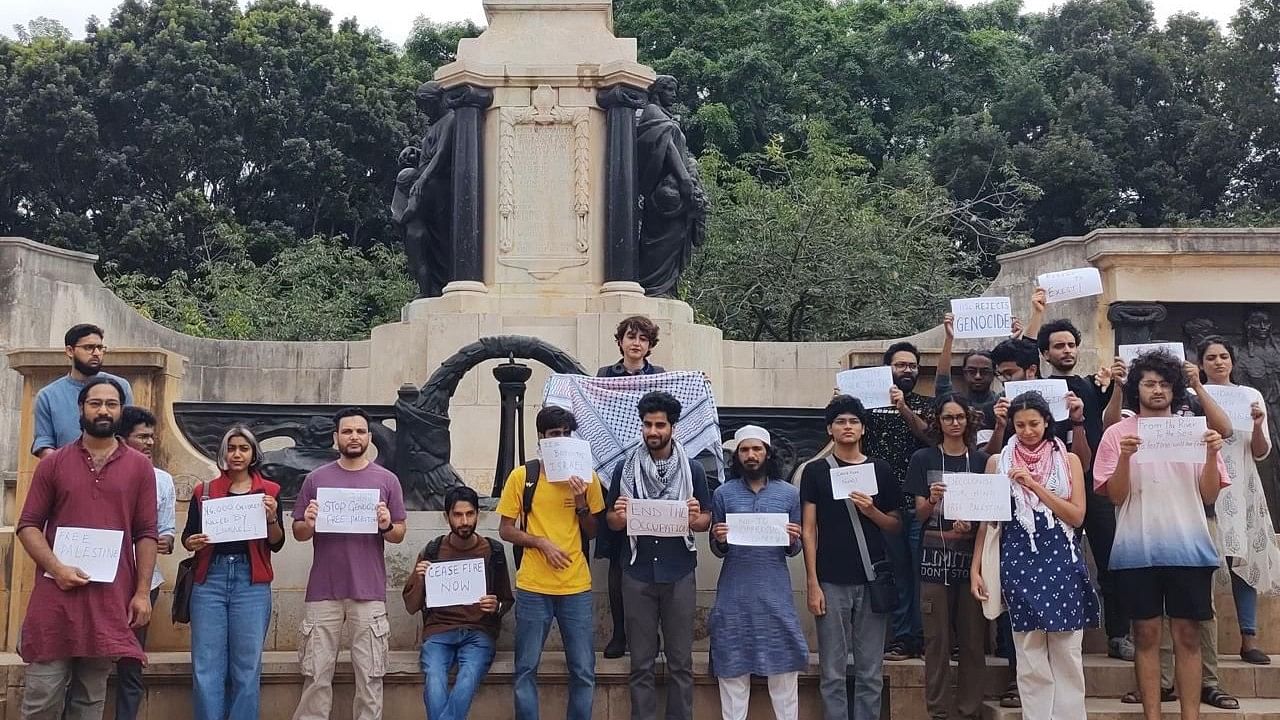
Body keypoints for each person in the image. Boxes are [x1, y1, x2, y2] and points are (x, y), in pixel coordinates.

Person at [1093, 350, 1230, 720]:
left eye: (1165, 384)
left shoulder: (1196, 431)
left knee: (1188, 635)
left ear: (1175, 389)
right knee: (1146, 636)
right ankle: (1152, 715)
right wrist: (1124, 457)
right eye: (1150, 383)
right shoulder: (1117, 434)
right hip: (1137, 548)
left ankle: (1191, 716)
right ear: (1136, 388)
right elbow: (1116, 496)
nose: (1157, 390)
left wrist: (1213, 455)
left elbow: (1209, 495)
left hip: (1189, 546)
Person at [17, 376, 157, 720]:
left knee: (90, 701)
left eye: (111, 404)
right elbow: (28, 525)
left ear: (120, 411)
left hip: (108, 601)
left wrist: (141, 593)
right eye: (96, 403)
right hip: (56, 600)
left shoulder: (140, 467)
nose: (103, 410)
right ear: (81, 409)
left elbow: (147, 533)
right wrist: (58, 568)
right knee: (41, 698)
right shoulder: (54, 463)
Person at [971, 392, 1097, 720]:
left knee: (1067, 650)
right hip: (1018, 560)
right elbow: (987, 522)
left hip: (1061, 558)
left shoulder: (1067, 460)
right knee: (1029, 655)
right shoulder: (998, 462)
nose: (1027, 431)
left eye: (1034, 424)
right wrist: (975, 569)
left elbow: (1077, 515)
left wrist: (1035, 487)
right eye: (1020, 425)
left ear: (1047, 422)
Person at [292, 407, 408, 720]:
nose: (353, 437)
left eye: (359, 431)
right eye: (347, 431)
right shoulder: (316, 479)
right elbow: (299, 533)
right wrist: (310, 521)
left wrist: (386, 524)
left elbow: (398, 534)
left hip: (368, 591)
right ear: (336, 437)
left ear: (369, 437)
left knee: (370, 675)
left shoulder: (387, 480)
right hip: (323, 591)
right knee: (316, 674)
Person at [606, 391, 712, 720]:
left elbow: (706, 520)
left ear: (672, 428)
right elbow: (610, 520)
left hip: (678, 571)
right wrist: (619, 517)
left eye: (660, 425)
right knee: (641, 662)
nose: (653, 431)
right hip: (637, 573)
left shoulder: (692, 469)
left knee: (681, 662)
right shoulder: (624, 469)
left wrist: (696, 518)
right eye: (647, 425)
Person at [498, 405, 605, 720]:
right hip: (533, 584)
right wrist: (540, 542)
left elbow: (593, 531)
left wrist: (583, 502)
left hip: (575, 585)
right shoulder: (523, 476)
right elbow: (506, 529)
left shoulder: (587, 477)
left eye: (566, 434)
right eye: (554, 435)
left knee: (584, 669)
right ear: (542, 439)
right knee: (526, 667)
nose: (561, 440)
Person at [1035, 315, 1131, 660]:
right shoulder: (1035, 392)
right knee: (1057, 561)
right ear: (1044, 354)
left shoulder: (1092, 387)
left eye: (1071, 345)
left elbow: (1109, 424)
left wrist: (1116, 386)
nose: (1067, 350)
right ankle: (1058, 634)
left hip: (1094, 485)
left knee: (1111, 560)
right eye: (1058, 346)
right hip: (1051, 488)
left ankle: (1119, 634)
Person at [801, 394, 901, 720]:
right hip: (830, 579)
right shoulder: (815, 472)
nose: (847, 427)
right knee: (832, 670)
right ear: (830, 429)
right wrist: (812, 583)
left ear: (862, 428)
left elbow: (896, 525)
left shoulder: (880, 470)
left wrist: (871, 510)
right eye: (841, 421)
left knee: (870, 670)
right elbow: (809, 529)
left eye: (854, 421)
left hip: (872, 578)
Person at [183, 425, 285, 720]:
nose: (237, 454)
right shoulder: (204, 491)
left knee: (247, 665)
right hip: (210, 579)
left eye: (243, 448)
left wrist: (271, 518)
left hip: (250, 582)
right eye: (231, 448)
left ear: (253, 453)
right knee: (206, 664)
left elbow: (276, 543)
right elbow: (188, 536)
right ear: (223, 453)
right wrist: (192, 541)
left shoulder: (269, 491)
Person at [708, 425, 806, 720]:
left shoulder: (789, 494)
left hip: (775, 594)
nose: (751, 456)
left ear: (767, 453)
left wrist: (793, 540)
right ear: (736, 456)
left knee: (784, 670)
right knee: (732, 668)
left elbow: (795, 548)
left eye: (757, 449)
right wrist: (720, 539)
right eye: (744, 450)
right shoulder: (723, 494)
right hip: (734, 595)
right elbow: (716, 548)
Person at [1198, 335, 1280, 664]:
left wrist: (1259, 425)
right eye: (1211, 357)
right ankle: (1204, 644)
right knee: (1202, 563)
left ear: (1232, 361)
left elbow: (1260, 452)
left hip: (1243, 488)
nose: (1218, 362)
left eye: (1223, 356)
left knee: (1242, 564)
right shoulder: (1193, 397)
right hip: (1206, 484)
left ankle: (1249, 637)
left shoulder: (1251, 395)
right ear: (1201, 364)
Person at [905, 395, 988, 720]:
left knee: (972, 642)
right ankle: (939, 712)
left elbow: (989, 516)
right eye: (948, 417)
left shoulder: (980, 461)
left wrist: (973, 521)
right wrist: (931, 499)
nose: (954, 423)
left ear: (968, 421)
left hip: (971, 565)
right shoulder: (923, 458)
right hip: (933, 564)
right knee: (936, 643)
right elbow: (919, 514)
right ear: (937, 422)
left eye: (959, 417)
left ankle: (969, 711)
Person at [403, 485, 513, 720]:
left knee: (469, 675)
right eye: (458, 514)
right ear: (447, 517)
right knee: (434, 676)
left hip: (478, 632)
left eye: (470, 514)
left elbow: (506, 599)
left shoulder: (493, 551)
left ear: (478, 515)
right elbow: (411, 606)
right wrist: (420, 578)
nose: (464, 521)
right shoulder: (432, 551)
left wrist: (497, 606)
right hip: (439, 632)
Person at [595, 315, 667, 659]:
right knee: (617, 558)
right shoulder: (603, 377)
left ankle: (653, 635)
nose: (636, 343)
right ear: (620, 341)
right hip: (615, 472)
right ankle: (620, 633)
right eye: (629, 337)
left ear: (649, 344)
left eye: (642, 338)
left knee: (655, 554)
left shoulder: (662, 378)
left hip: (656, 477)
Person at [861, 341, 930, 661]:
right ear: (887, 369)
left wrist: (903, 408)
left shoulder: (926, 405)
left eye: (912, 365)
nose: (907, 370)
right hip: (884, 506)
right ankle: (903, 638)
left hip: (920, 504)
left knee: (922, 574)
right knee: (898, 574)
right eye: (901, 365)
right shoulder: (868, 408)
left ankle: (925, 636)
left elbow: (928, 436)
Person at [114, 406, 177, 720]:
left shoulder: (163, 481)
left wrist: (165, 541)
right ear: (123, 439)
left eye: (152, 437)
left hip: (144, 583)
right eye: (142, 437)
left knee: (131, 660)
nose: (150, 442)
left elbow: (166, 533)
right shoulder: (105, 475)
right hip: (104, 580)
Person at [32, 323, 134, 458]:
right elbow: (44, 443)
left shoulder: (120, 387)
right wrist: (64, 468)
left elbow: (129, 435)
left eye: (100, 347)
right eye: (89, 348)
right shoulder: (48, 396)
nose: (97, 353)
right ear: (70, 351)